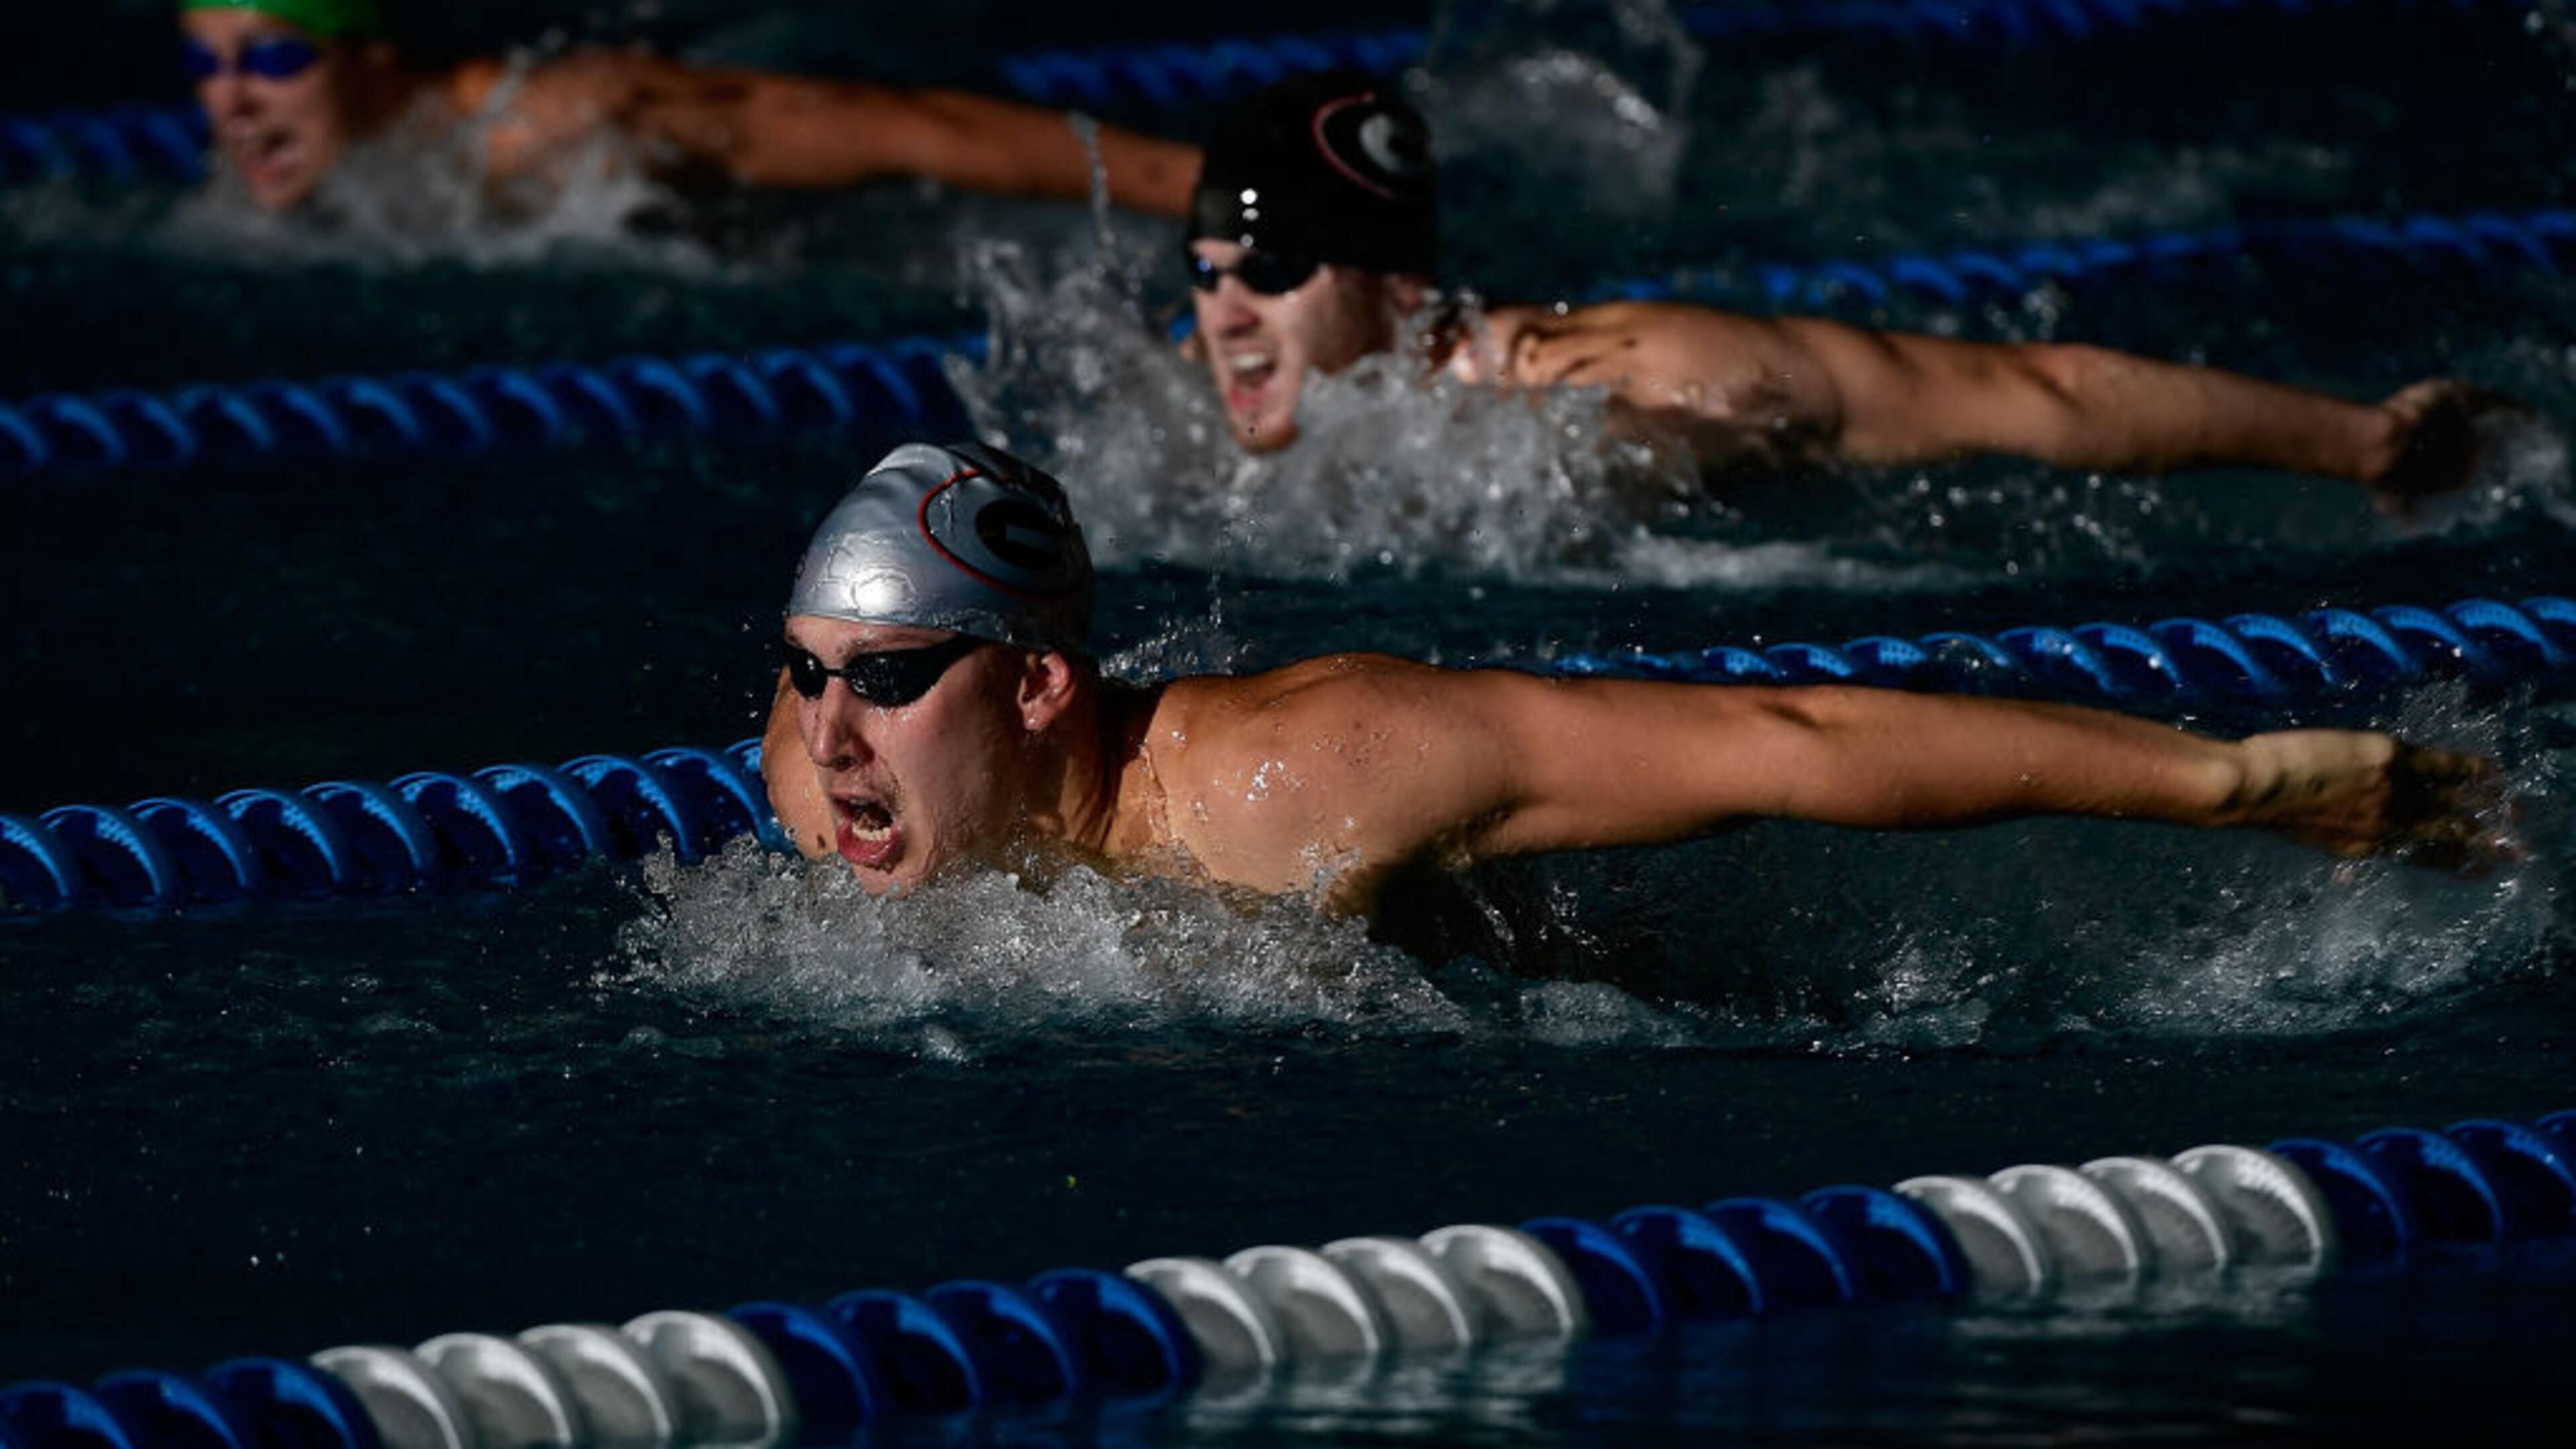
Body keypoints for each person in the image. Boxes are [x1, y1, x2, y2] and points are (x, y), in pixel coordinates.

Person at [760, 441, 2513, 923]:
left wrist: (2230, 787)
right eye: (802, 677)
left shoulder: (1310, 776)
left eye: (888, 681)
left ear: (1048, 687)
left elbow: (1783, 738)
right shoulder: (820, 777)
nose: (830, 737)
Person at [1182, 71, 2509, 511]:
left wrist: (2361, 442)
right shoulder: (1193, 419)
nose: (1225, 315)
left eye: (1279, 270)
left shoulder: (1632, 375)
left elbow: (2020, 392)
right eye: (1207, 275)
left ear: (1404, 289)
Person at [177, 1, 1201, 217]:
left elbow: (902, 128)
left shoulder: (563, 124)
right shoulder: (349, 177)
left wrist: (1193, 185)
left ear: (373, 52)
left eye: (270, 56)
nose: (230, 98)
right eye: (205, 61)